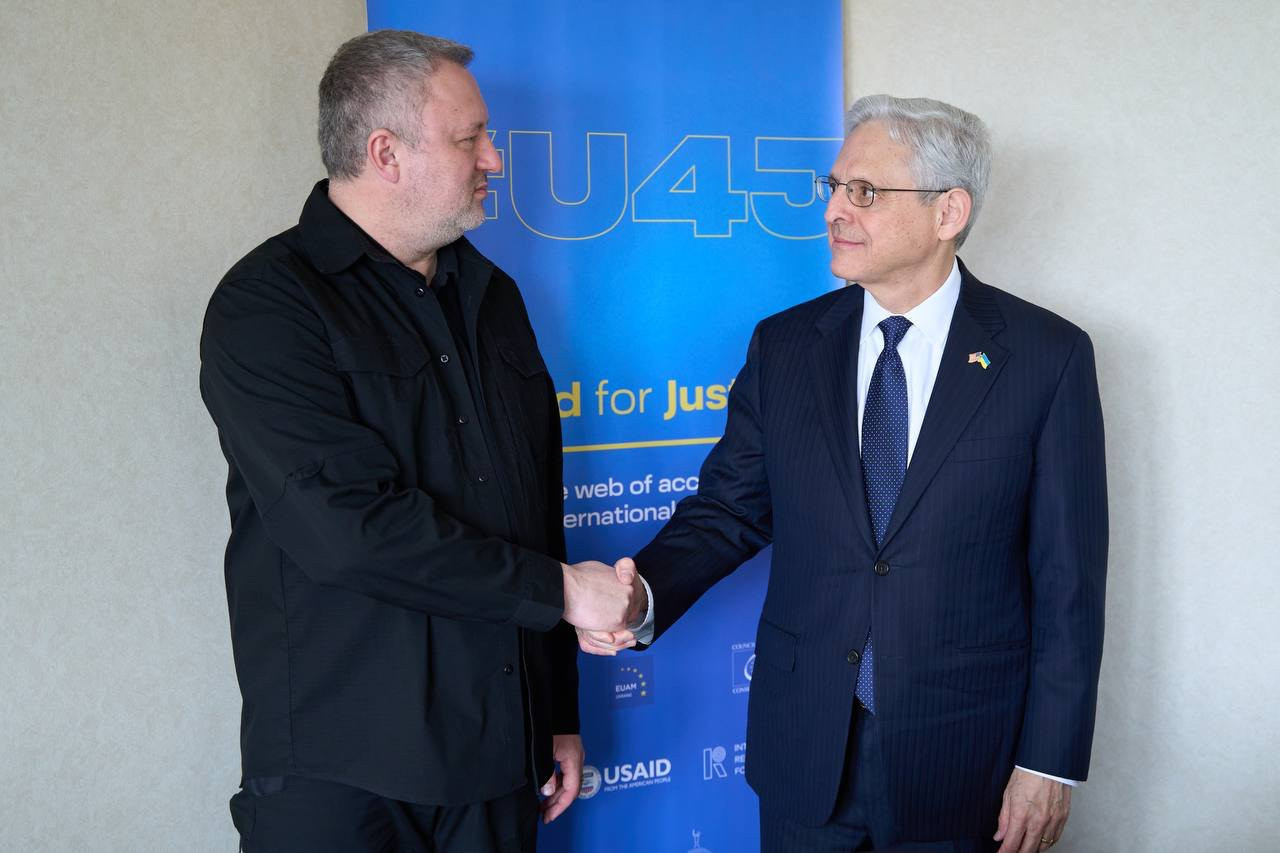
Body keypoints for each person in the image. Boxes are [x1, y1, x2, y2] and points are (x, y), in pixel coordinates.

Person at [585, 95, 1108, 852]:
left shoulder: (1045, 356)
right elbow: (729, 511)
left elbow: (1068, 581)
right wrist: (643, 595)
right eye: (833, 187)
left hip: (965, 757)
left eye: (864, 191)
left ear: (948, 211)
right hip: (806, 748)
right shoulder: (785, 347)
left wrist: (1048, 760)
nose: (834, 210)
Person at [199, 29, 633, 853]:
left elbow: (533, 511)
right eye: (471, 138)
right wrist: (563, 592)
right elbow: (350, 530)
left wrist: (555, 710)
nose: (494, 159)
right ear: (385, 153)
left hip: (499, 758)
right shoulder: (267, 307)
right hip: (347, 775)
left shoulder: (494, 295)